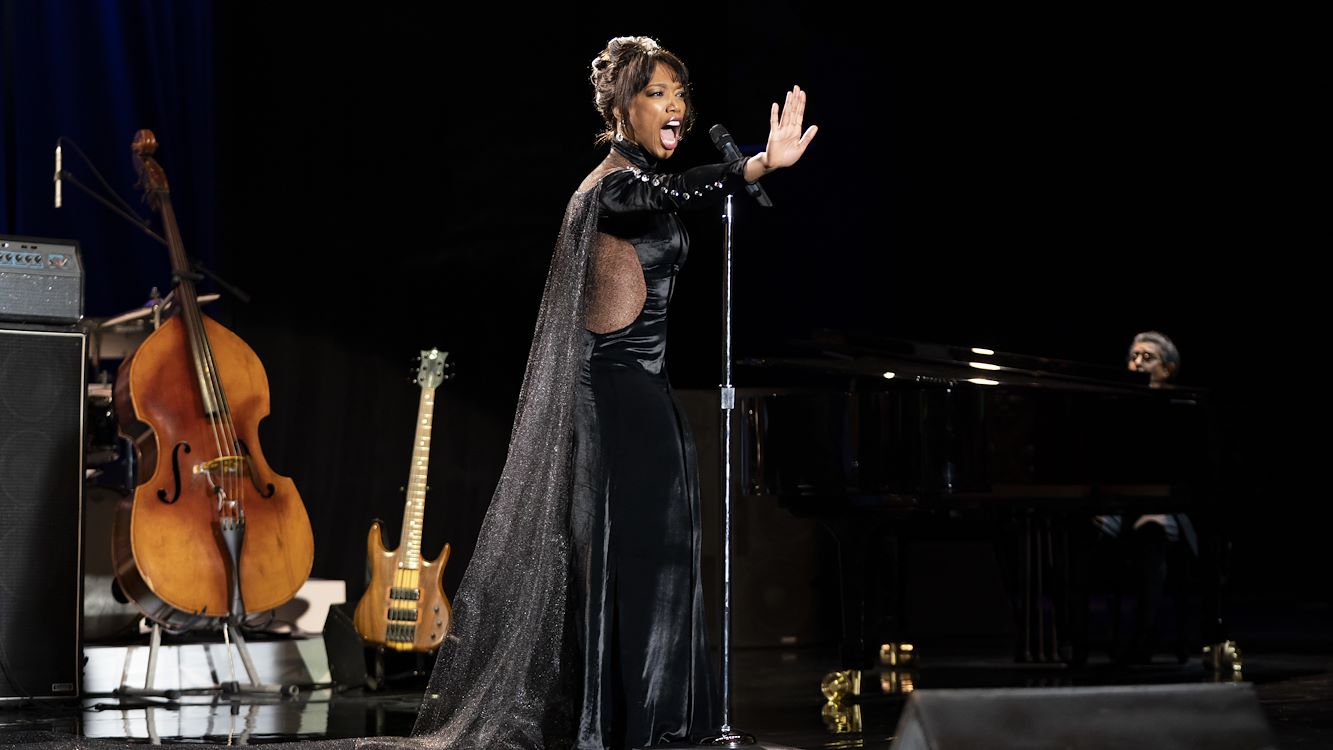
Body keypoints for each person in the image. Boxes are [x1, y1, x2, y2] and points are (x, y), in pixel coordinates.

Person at [410, 36, 816, 749]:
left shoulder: (634, 180)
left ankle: (656, 720)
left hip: (644, 393)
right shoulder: (612, 186)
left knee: (659, 560)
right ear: (622, 108)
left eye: (680, 94)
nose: (676, 106)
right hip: (619, 396)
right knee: (642, 562)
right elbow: (675, 192)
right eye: (657, 93)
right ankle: (640, 726)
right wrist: (752, 165)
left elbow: (675, 192)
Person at [1094, 330, 1198, 663]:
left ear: (1167, 369)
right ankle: (1080, 638)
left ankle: (1144, 634)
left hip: (1170, 508)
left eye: (1147, 357)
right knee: (1083, 529)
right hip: (1121, 507)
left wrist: (1158, 505)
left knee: (1152, 533)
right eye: (1133, 356)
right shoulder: (1111, 408)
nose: (1137, 363)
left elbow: (1193, 477)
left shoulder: (1185, 409)